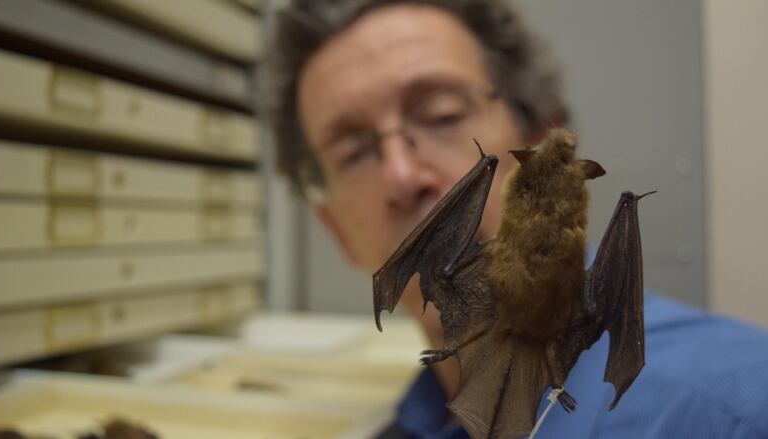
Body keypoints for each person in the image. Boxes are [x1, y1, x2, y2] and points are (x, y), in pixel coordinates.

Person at [263, 1, 768, 438]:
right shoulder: (411, 421)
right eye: (353, 153)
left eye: (441, 115)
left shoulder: (737, 412)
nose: (401, 175)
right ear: (338, 233)